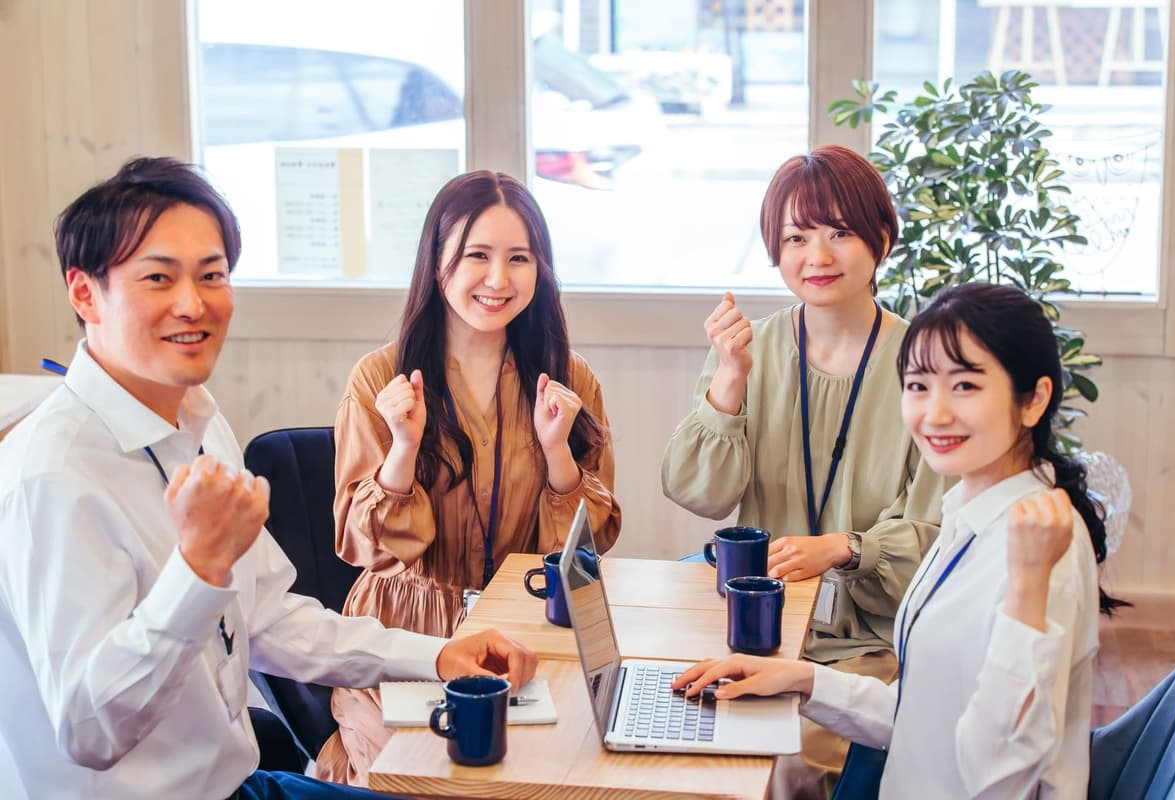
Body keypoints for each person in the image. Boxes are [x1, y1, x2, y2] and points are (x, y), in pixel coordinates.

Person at [0, 157, 538, 800]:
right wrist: (197, 571)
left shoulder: (195, 418)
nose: (192, 303)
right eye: (157, 277)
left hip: (239, 784)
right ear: (85, 292)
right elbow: (90, 731)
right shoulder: (55, 475)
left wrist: (439, 657)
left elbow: (272, 620)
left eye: (211, 275)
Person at [674, 282, 1123, 799]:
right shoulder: (966, 513)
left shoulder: (1043, 549)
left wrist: (1026, 588)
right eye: (917, 385)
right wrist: (801, 680)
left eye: (965, 387)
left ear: (1033, 399)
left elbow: (995, 774)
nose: (934, 413)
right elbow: (927, 718)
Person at [316, 170, 621, 785]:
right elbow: (361, 547)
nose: (498, 280)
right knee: (416, 778)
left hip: (525, 628)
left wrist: (557, 451)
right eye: (476, 256)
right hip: (406, 629)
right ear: (437, 263)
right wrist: (402, 447)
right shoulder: (380, 379)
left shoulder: (569, 379)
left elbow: (592, 545)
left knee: (560, 779)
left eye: (519, 258)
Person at [660, 145, 944, 797]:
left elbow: (938, 530)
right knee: (669, 732)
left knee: (792, 765)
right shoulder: (750, 348)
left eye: (839, 233)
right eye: (795, 237)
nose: (816, 257)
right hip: (755, 624)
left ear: (881, 238)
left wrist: (848, 547)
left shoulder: (924, 363)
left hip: (869, 639)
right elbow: (695, 491)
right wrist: (729, 380)